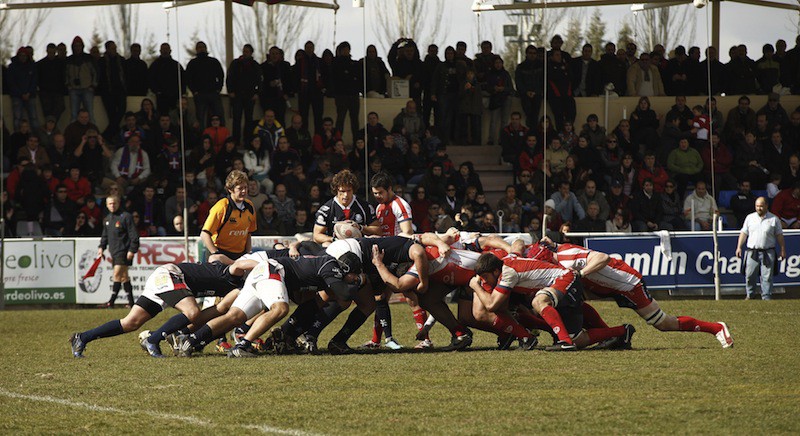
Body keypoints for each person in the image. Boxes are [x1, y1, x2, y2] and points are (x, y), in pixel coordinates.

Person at [537, 237, 734, 348]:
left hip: (629, 284)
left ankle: (716, 327)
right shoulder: (560, 254)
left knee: (664, 323)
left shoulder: (567, 258)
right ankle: (613, 337)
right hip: (611, 287)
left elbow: (602, 258)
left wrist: (581, 274)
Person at [69, 256, 255, 358]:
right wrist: (261, 266)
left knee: (131, 323)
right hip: (170, 275)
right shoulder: (235, 276)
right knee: (192, 312)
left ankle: (82, 337)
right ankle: (153, 339)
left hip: (166, 279)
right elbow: (225, 259)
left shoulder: (238, 288)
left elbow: (221, 308)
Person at [200, 170, 256, 264]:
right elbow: (204, 234)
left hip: (240, 256)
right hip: (220, 253)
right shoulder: (222, 207)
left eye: (246, 187)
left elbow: (248, 233)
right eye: (240, 188)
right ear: (230, 189)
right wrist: (216, 254)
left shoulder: (250, 206)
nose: (244, 191)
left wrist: (248, 253)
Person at [736, 197, 786, 301]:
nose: (759, 208)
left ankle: (766, 297)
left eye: (761, 206)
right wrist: (739, 247)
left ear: (766, 206)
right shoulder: (750, 218)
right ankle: (750, 295)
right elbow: (744, 233)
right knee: (749, 275)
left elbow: (779, 235)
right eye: (757, 206)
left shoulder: (774, 219)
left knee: (767, 277)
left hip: (768, 252)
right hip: (752, 251)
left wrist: (782, 249)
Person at [313, 169, 379, 246]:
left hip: (359, 245)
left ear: (353, 190)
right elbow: (317, 235)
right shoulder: (327, 209)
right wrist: (333, 239)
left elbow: (378, 230)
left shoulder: (365, 206)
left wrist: (361, 228)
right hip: (336, 246)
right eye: (342, 191)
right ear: (336, 190)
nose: (346, 195)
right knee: (326, 244)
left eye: (349, 191)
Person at [97, 195, 140, 309]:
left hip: (123, 251)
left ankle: (111, 302)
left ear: (118, 203)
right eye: (110, 203)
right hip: (114, 252)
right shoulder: (107, 219)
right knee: (124, 277)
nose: (112, 205)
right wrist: (101, 247)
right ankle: (131, 302)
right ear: (106, 205)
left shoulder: (126, 217)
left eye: (114, 203)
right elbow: (105, 235)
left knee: (116, 274)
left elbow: (134, 235)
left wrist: (132, 250)